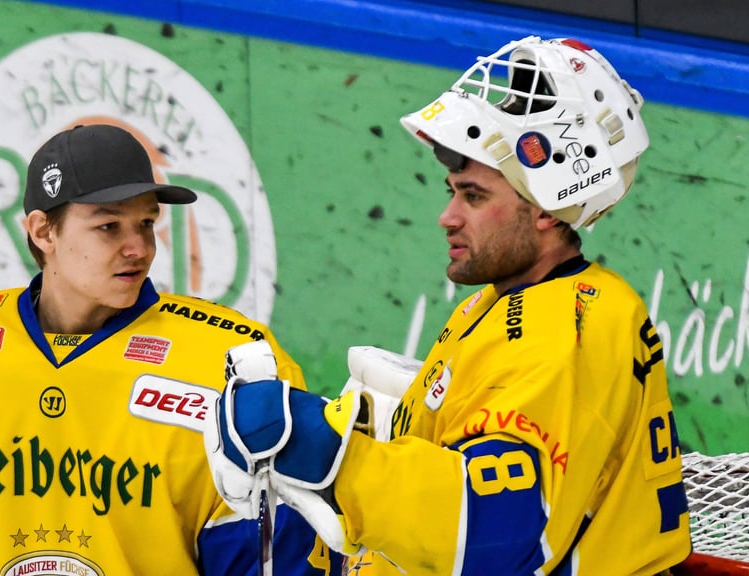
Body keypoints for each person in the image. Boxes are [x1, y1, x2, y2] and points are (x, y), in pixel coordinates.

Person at [205, 36, 692, 575]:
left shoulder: (556, 338)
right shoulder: (519, 296)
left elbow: (498, 531)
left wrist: (330, 455)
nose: (448, 216)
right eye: (452, 191)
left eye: (473, 196)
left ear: (548, 210)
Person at [0, 123, 340, 575]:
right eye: (108, 226)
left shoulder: (231, 360)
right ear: (42, 231)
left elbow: (276, 557)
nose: (138, 247)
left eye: (146, 223)